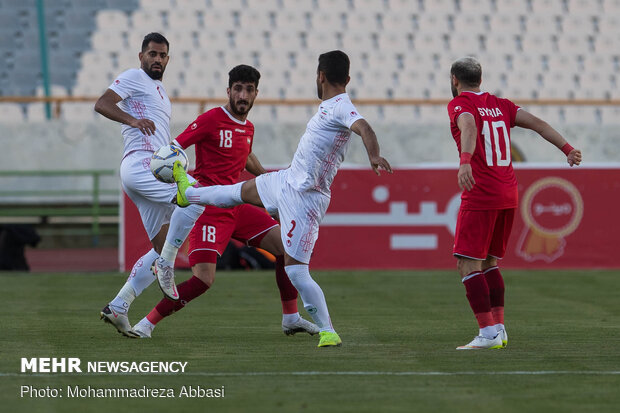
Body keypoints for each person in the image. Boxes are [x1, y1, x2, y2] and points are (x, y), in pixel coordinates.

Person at [170, 50, 393, 347]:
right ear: (347, 78)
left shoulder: (341, 106)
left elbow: (363, 127)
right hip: (286, 181)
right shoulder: (328, 106)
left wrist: (374, 155)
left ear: (320, 77)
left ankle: (328, 330)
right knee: (235, 192)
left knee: (297, 271)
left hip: (305, 200)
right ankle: (190, 192)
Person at [130, 65, 318, 338]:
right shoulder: (210, 119)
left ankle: (291, 318)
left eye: (249, 90)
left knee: (287, 249)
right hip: (207, 208)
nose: (243, 95)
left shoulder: (248, 127)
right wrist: (177, 178)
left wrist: (268, 181)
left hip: (237, 206)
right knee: (204, 279)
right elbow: (173, 150)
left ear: (256, 94)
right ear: (228, 91)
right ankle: (146, 324)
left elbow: (245, 157)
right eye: (238, 89)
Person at [447, 57, 582, 350]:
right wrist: (567, 148)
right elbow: (538, 124)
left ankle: (488, 332)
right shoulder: (502, 105)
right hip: (508, 191)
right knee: (490, 263)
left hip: (481, 192)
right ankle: (498, 329)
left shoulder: (460, 104)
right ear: (480, 79)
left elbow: (468, 125)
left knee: (467, 263)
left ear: (455, 80)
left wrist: (465, 161)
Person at [94, 32, 206, 337]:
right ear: (141, 56)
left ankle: (119, 305)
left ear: (168, 59)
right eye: (152, 54)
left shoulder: (159, 90)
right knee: (196, 197)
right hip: (141, 164)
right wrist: (131, 121)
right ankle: (167, 265)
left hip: (148, 170)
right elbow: (102, 103)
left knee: (161, 246)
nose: (157, 59)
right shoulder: (133, 77)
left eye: (162, 55)